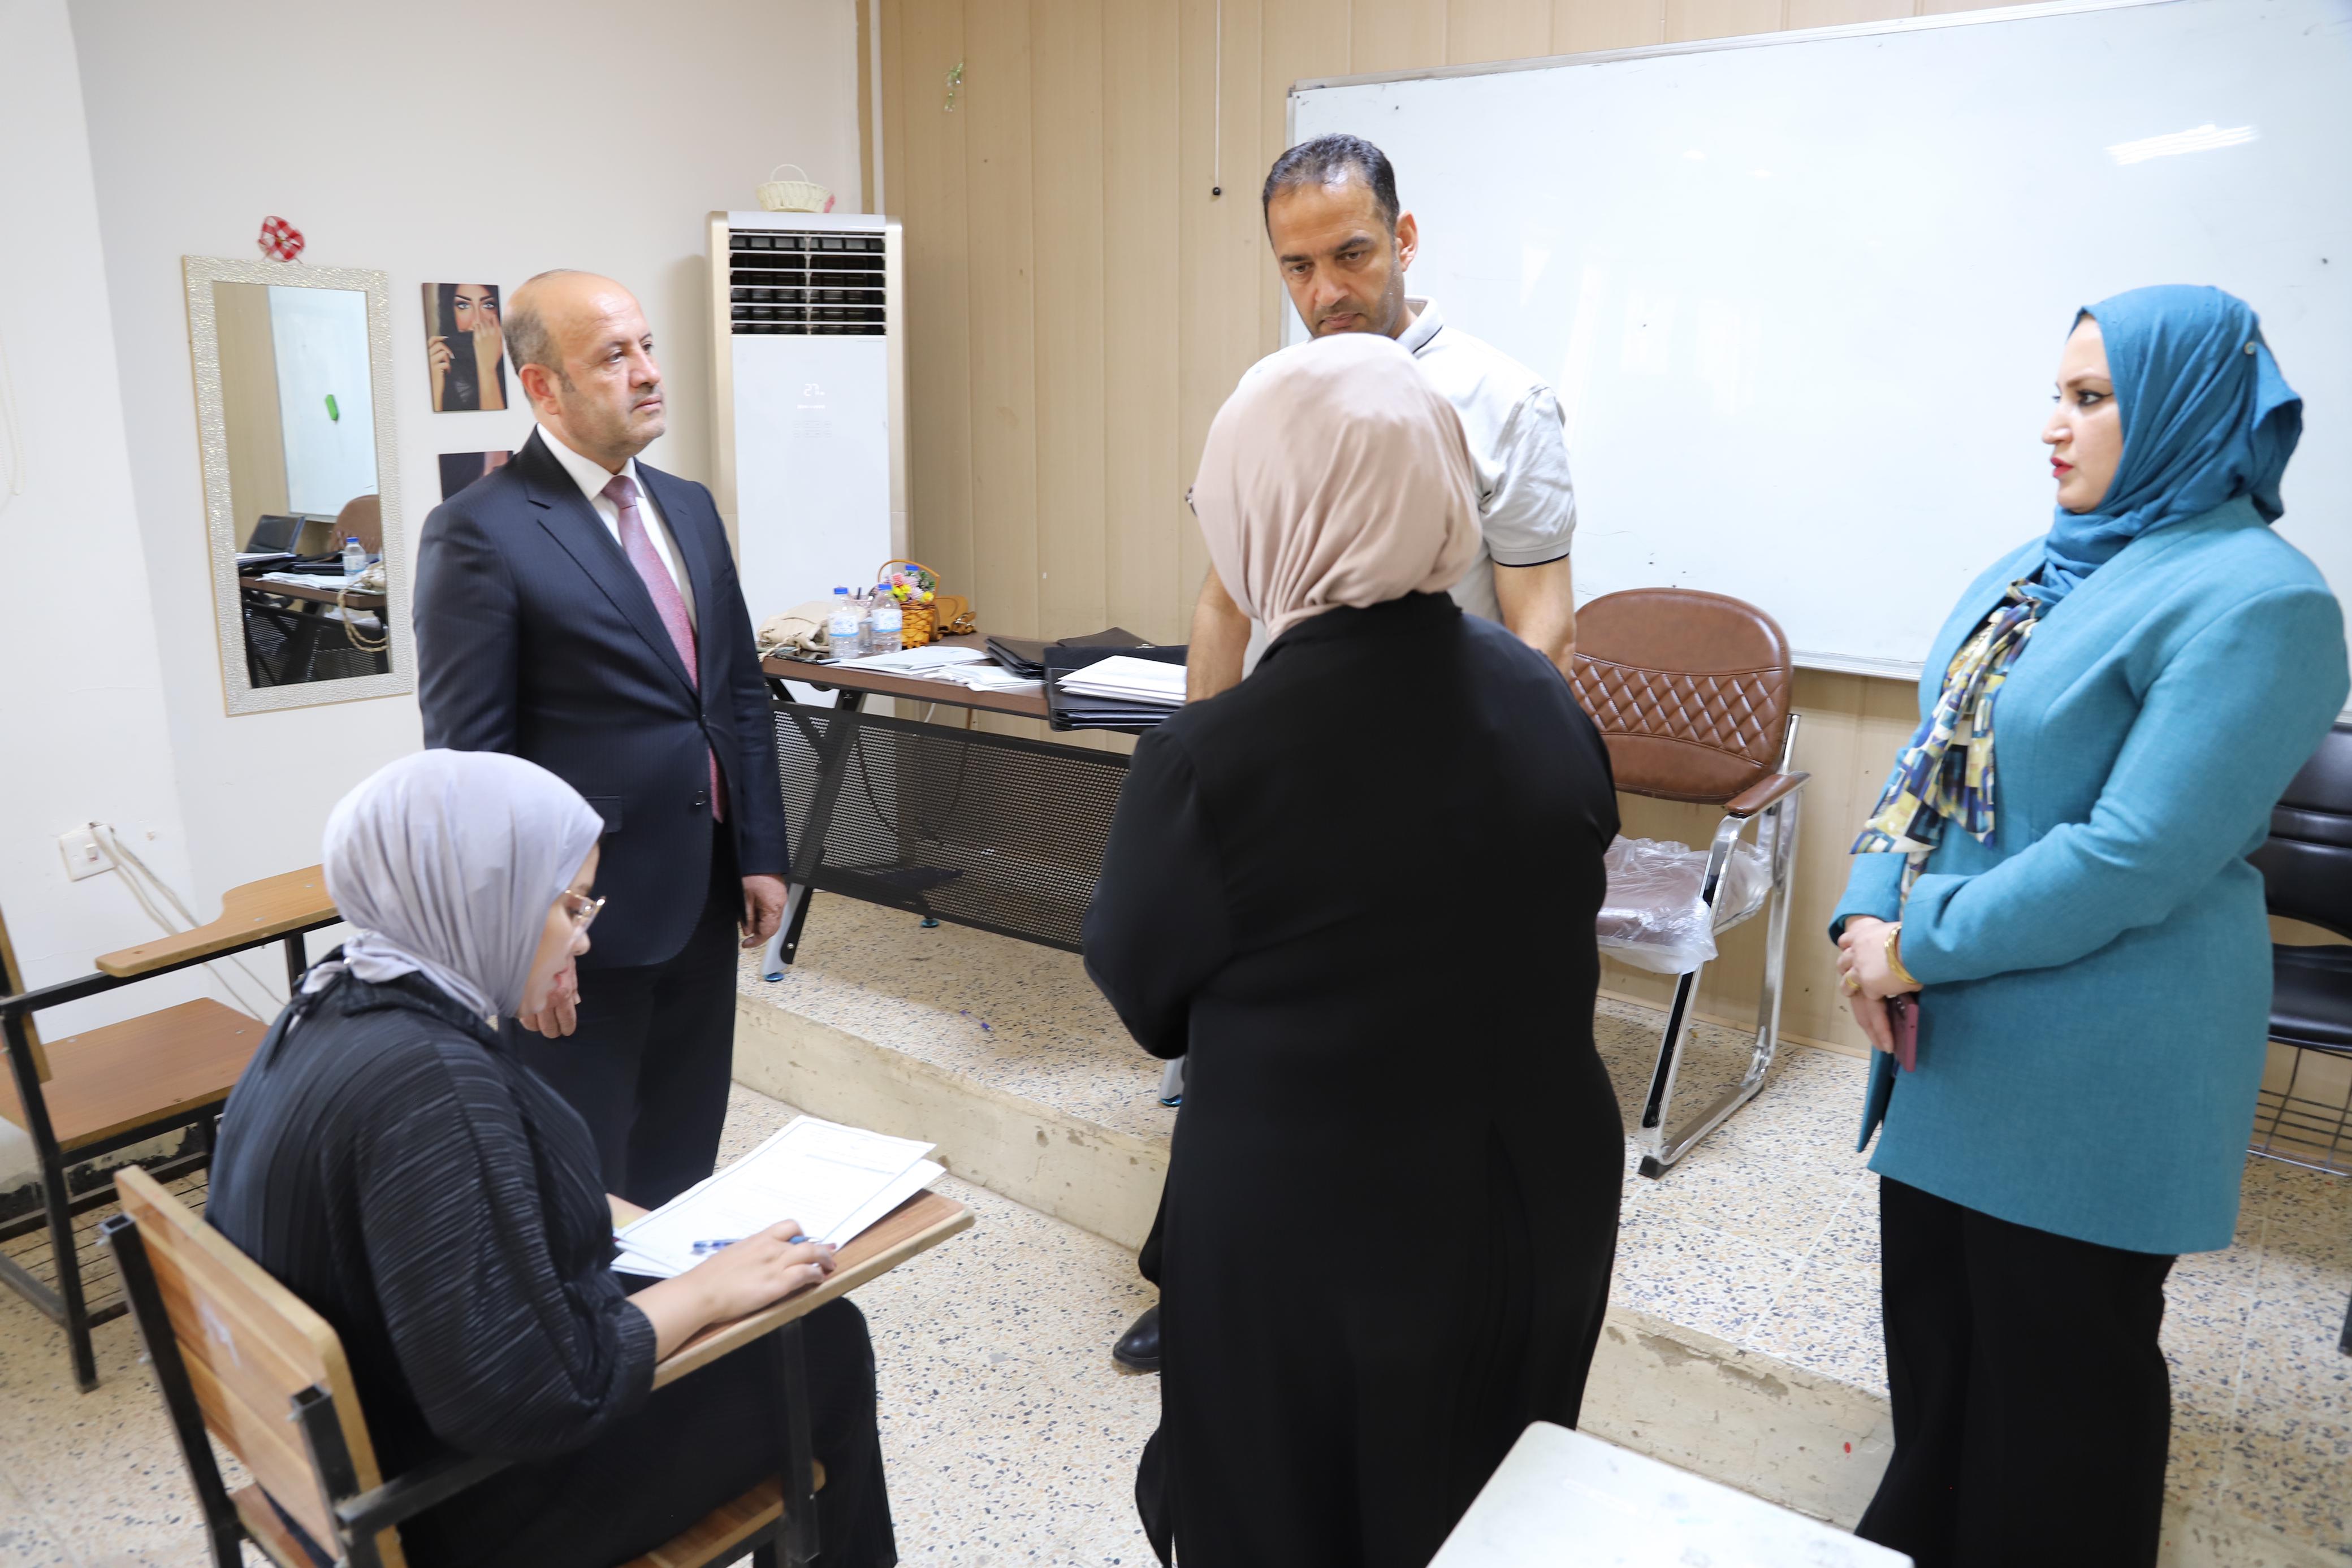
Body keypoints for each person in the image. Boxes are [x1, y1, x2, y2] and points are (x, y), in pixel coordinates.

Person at [1083, 333, 1624, 1568]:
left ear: (1263, 505)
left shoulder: (1212, 760)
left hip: (1315, 1242)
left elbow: (1142, 991)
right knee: (1490, 1513)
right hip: (1537, 1205)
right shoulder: (1543, 698)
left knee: (1291, 1521)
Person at [1830, 285, 2346, 1566]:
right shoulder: (2036, 565)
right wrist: (1865, 910)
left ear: (2181, 407)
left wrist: (1914, 940)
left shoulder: (2261, 600)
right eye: (2056, 394)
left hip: (2101, 1060)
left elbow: (2134, 855)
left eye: (2091, 397)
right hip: (1953, 1039)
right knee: (1941, 1347)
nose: (2053, 425)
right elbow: (1926, 757)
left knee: (2062, 1391)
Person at [1113, 131, 1583, 1373]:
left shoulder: (1500, 400)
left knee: (1395, 1072)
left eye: (1353, 254)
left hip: (1432, 787)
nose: (1326, 291)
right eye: (1297, 266)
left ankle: (1400, 1310)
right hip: (1283, 782)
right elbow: (1224, 600)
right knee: (1239, 1047)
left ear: (1405, 239)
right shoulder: (1273, 395)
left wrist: (1493, 789)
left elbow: (1540, 619)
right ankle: (1198, 1275)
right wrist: (1199, 769)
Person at [206, 750, 895, 1568]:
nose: (586, 934)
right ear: (482, 897)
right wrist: (707, 1290)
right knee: (820, 1343)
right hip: (454, 1507)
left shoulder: (329, 1002)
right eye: (570, 905)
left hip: (351, 1458)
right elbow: (537, 1391)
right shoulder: (435, 1083)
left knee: (775, 1318)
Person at [413, 270, 790, 1208]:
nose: (649, 372)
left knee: (683, 1156)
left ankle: (682, 1299)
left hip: (703, 891)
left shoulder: (688, 505)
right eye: (615, 356)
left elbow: (736, 693)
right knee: (582, 1183)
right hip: (580, 923)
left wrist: (761, 851)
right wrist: (524, 934)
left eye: (647, 347)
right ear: (544, 386)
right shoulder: (480, 531)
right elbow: (471, 766)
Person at [426, 283, 507, 413]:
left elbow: (497, 423)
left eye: (488, 305)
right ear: (450, 311)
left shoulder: (517, 364)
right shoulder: (438, 363)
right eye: (464, 306)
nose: (477, 321)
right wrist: (433, 388)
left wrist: (487, 368)